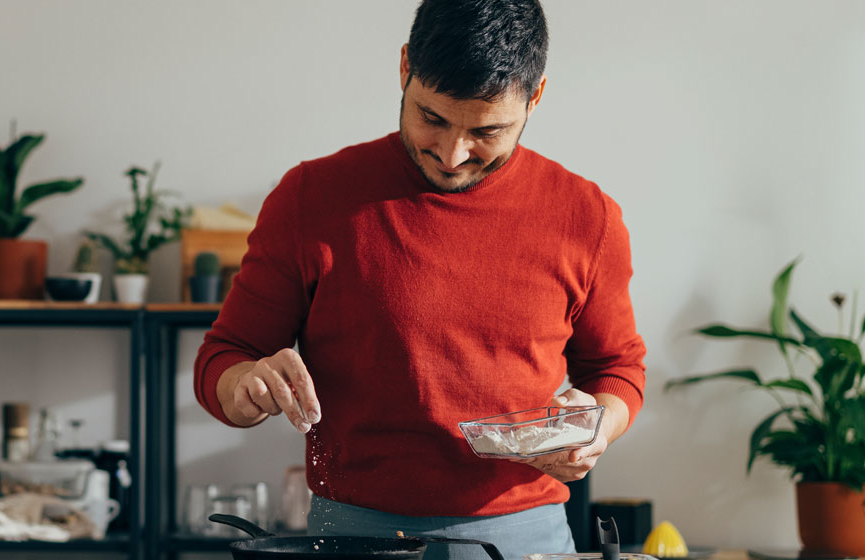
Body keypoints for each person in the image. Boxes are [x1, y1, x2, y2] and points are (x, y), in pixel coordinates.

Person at [192, 1, 647, 558]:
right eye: (432, 118)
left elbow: (617, 370)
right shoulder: (311, 198)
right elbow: (225, 356)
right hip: (352, 535)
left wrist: (598, 427)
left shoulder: (587, 216)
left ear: (536, 97)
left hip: (525, 534)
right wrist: (245, 388)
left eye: (486, 131)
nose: (452, 154)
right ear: (405, 67)